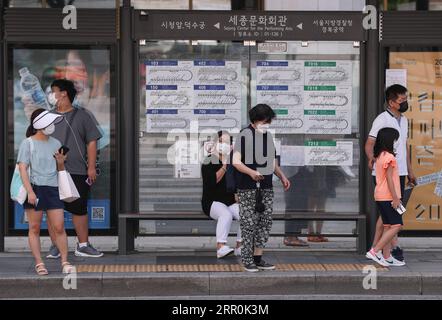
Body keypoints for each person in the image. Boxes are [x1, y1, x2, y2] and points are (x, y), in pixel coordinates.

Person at [46, 79, 104, 258]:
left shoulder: (83, 115)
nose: (51, 94)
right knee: (53, 209)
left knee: (79, 209)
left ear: (63, 93)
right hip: (50, 172)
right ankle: (56, 245)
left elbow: (92, 142)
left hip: (77, 170)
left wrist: (91, 168)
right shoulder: (47, 117)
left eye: (53, 90)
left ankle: (83, 245)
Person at [232, 104, 291, 272]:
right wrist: (251, 172)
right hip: (248, 187)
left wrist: (282, 176)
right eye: (265, 121)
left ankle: (258, 257)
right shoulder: (245, 135)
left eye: (269, 121)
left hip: (266, 186)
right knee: (249, 223)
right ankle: (246, 258)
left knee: (265, 222)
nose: (267, 124)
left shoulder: (268, 136)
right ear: (255, 120)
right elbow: (236, 161)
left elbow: (272, 161)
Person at [17, 109, 74, 275]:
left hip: (53, 188)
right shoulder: (27, 143)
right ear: (39, 125)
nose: (52, 126)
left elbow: (60, 168)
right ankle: (39, 263)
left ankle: (65, 261)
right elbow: (22, 169)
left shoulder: (56, 143)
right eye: (48, 123)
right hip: (34, 188)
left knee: (59, 226)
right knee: (34, 227)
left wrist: (61, 162)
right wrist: (30, 192)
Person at [365, 84, 416, 262]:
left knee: (387, 214)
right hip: (385, 172)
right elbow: (369, 143)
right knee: (392, 213)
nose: (405, 103)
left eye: (405, 99)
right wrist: (372, 158)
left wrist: (410, 170)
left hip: (399, 172)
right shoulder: (382, 119)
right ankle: (389, 248)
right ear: (391, 102)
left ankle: (378, 249)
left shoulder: (405, 120)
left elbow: (404, 147)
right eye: (402, 100)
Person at [366, 128, 406, 267]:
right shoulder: (389, 157)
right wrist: (395, 198)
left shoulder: (380, 156)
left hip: (380, 195)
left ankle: (387, 257)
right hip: (388, 196)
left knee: (388, 226)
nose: (396, 143)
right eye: (395, 140)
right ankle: (375, 251)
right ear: (390, 141)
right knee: (397, 225)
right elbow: (389, 179)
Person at [201, 131, 242, 259]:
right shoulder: (209, 161)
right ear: (215, 143)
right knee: (226, 214)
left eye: (226, 142)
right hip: (212, 202)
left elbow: (236, 182)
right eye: (220, 141)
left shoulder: (232, 162)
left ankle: (240, 246)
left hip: (229, 201)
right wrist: (224, 166)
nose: (223, 144)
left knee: (246, 213)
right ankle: (221, 247)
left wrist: (237, 194)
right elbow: (212, 182)